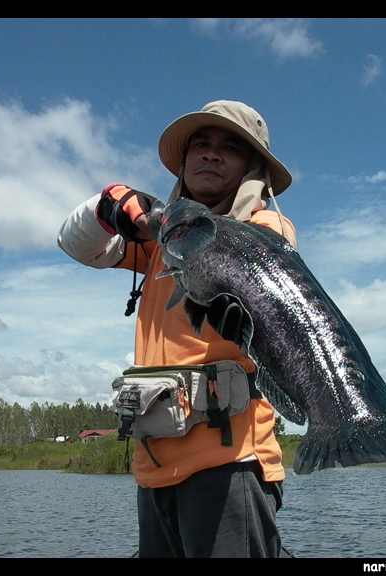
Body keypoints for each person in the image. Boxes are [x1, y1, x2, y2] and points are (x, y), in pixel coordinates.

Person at [58, 100, 296, 558]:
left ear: (253, 169)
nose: (210, 154)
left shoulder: (263, 229)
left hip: (230, 464)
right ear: (184, 161)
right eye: (200, 144)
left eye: (230, 147)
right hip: (153, 466)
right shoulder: (158, 245)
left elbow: (273, 244)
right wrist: (109, 204)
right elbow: (78, 245)